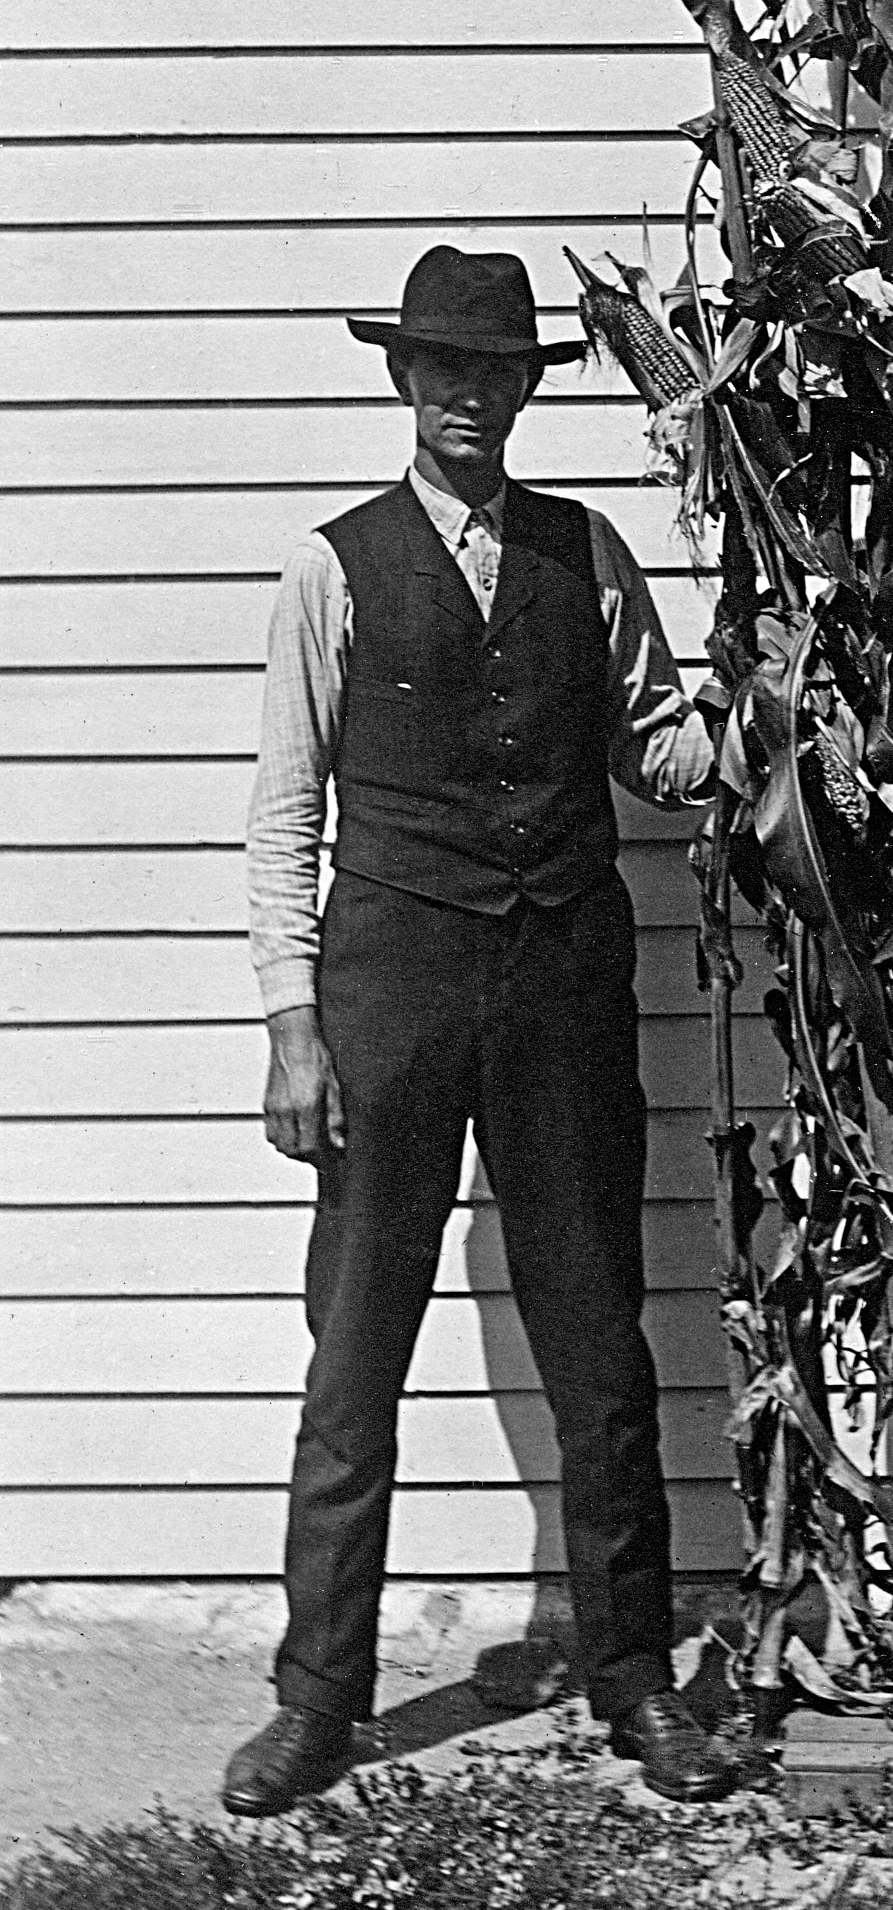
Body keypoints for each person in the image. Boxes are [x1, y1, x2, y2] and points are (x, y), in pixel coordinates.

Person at [221, 246, 732, 1814]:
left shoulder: (589, 558)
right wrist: (294, 1029)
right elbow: (282, 819)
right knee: (356, 1351)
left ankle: (635, 1677)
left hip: (565, 985)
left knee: (603, 1351)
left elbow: (664, 752)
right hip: (390, 990)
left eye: (495, 371)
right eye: (442, 368)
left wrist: (782, 709)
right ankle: (320, 1700)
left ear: (526, 388)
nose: (468, 395)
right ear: (403, 380)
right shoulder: (331, 568)